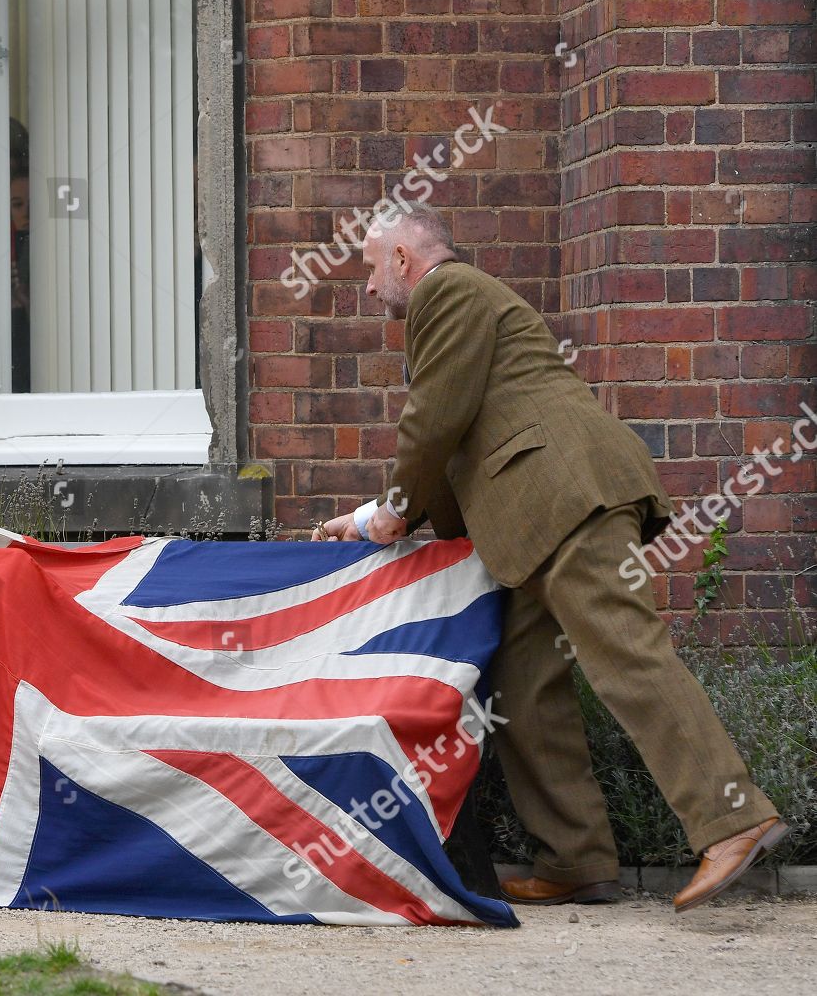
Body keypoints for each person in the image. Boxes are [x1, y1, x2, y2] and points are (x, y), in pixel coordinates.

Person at [315, 201, 785, 913]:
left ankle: (736, 816)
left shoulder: (447, 291)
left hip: (566, 499)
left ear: (404, 260)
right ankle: (575, 860)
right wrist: (369, 518)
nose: (370, 289)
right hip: (538, 518)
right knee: (524, 684)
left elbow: (434, 419)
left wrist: (390, 511)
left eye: (372, 270)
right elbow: (451, 445)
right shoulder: (462, 306)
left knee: (626, 653)